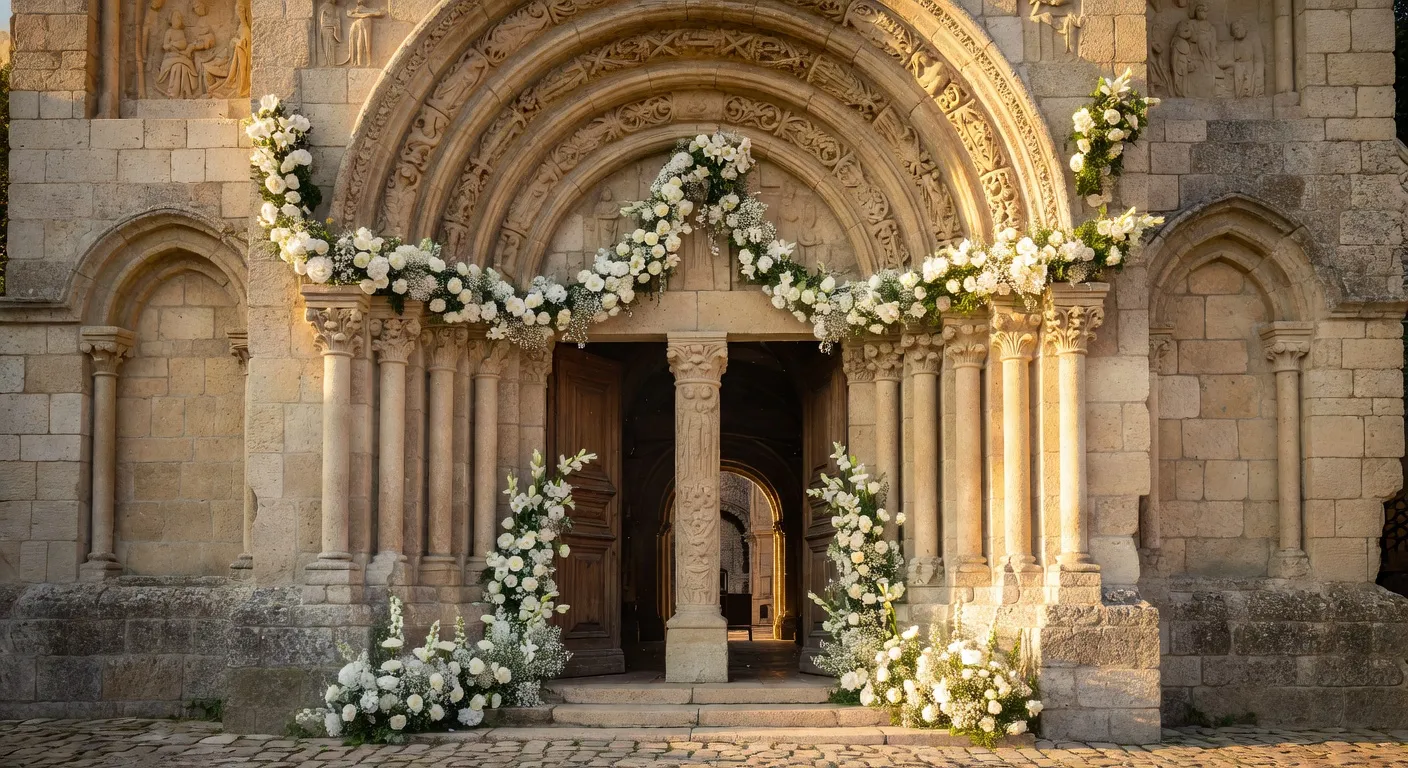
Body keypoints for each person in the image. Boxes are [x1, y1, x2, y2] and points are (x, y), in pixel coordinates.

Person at [157, 11, 198, 99]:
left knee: (182, 67)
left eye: (179, 18)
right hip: (170, 57)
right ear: (171, 20)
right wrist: (171, 45)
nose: (178, 20)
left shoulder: (181, 32)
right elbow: (165, 45)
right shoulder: (169, 31)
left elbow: (184, 44)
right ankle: (173, 92)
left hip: (180, 55)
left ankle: (186, 92)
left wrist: (175, 44)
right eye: (176, 18)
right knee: (177, 67)